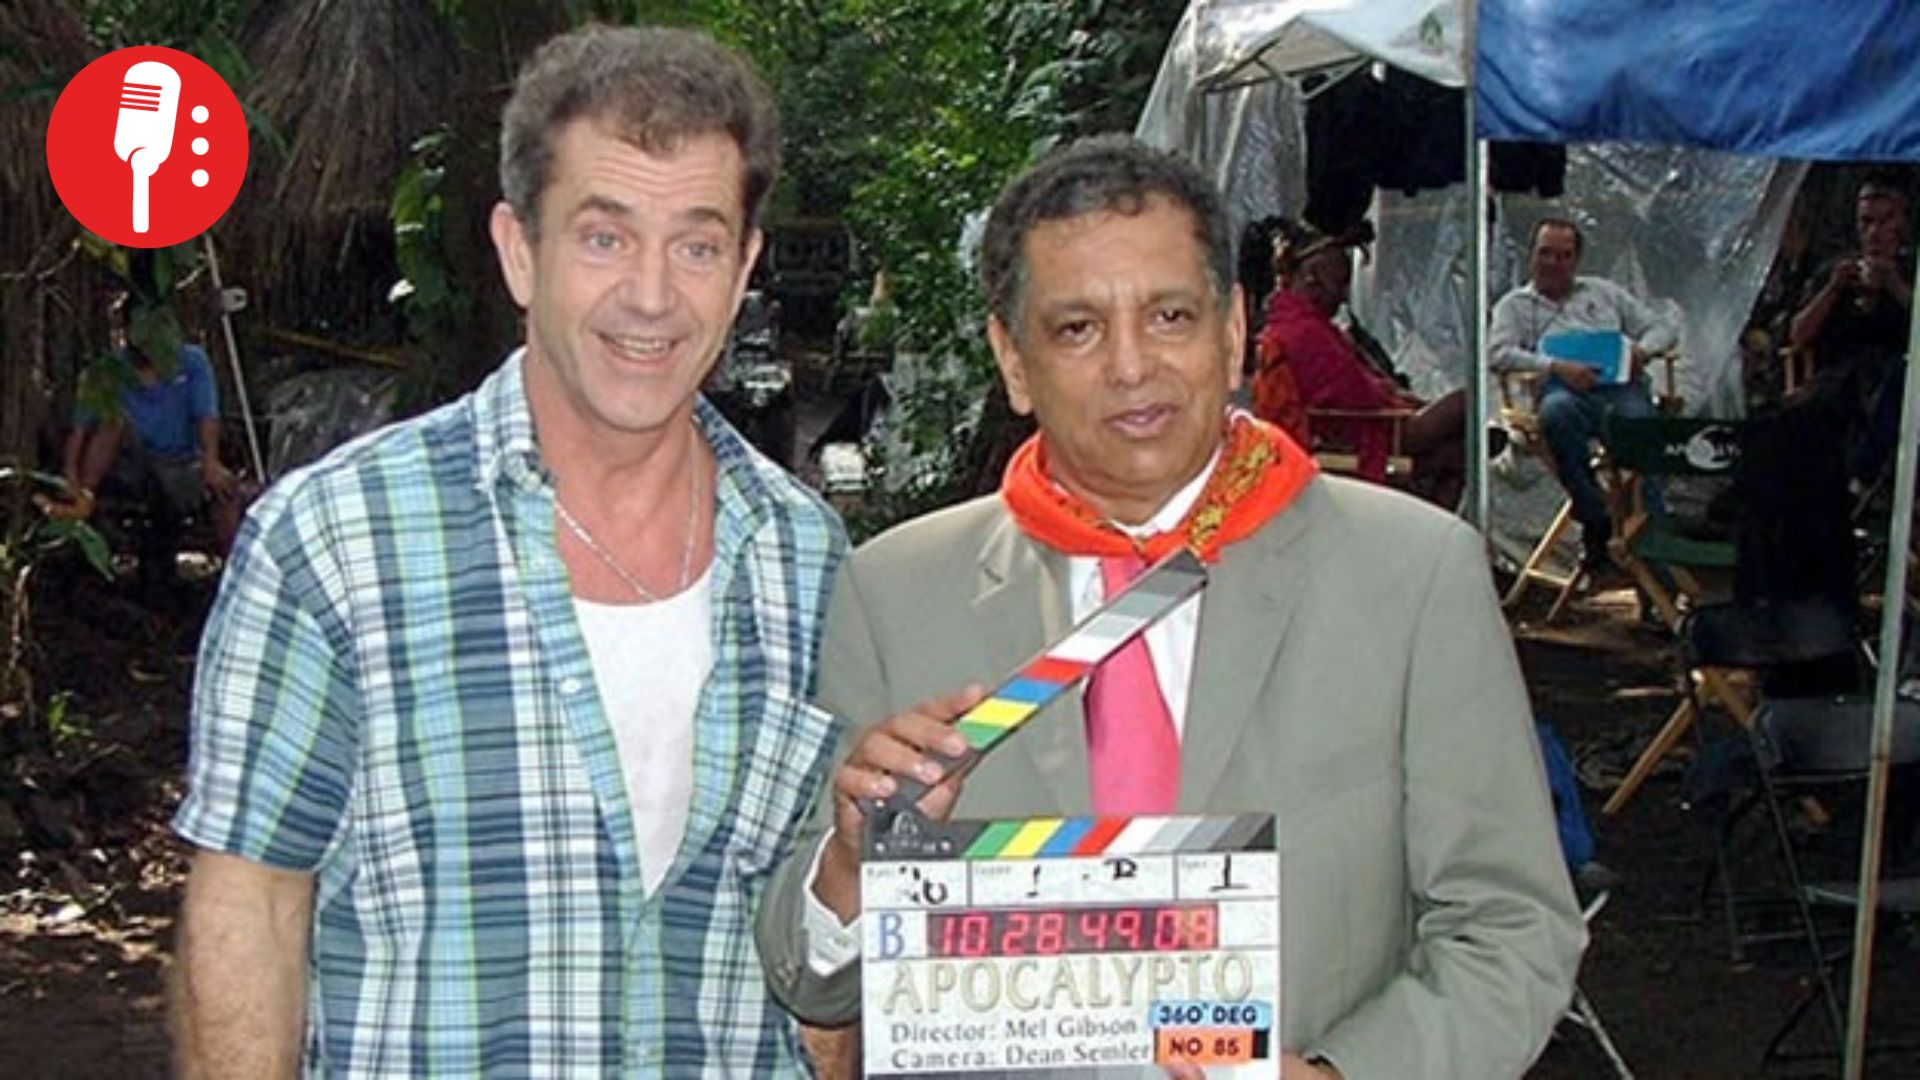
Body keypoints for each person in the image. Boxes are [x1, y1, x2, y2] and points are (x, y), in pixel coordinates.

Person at [757, 136, 1584, 1079]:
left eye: (1170, 316)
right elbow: (808, 976)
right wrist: (851, 866)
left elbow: (1513, 925)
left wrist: (1340, 1075)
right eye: (1077, 328)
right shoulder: (895, 592)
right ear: (1013, 362)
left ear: (1232, 332)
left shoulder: (1413, 573)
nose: (1131, 365)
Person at [170, 25, 846, 1078]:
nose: (653, 296)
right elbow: (250, 906)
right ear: (519, 249)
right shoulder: (336, 543)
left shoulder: (808, 560)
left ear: (745, 265)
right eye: (604, 237)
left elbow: (814, 940)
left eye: (698, 245)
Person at [1488, 218, 1678, 573]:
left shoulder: (1603, 292)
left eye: (1564, 256)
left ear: (1576, 260)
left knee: (1641, 428)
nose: (1553, 263)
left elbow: (1662, 327)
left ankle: (1655, 541)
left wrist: (1642, 351)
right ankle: (1594, 514)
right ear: (1532, 255)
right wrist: (1554, 366)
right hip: (1563, 390)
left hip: (1619, 388)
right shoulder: (1514, 306)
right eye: (1545, 253)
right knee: (1557, 413)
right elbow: (1496, 353)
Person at [1253, 218, 1472, 507]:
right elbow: (1357, 398)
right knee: (1467, 402)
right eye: (1340, 283)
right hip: (1367, 432)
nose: (1344, 296)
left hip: (1360, 424)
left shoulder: (1296, 325)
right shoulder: (1304, 332)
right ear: (1312, 278)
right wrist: (1401, 402)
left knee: (1456, 450)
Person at [51, 315, 242, 557]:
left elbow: (207, 415)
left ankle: (236, 564)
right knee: (113, 422)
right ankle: (86, 497)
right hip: (130, 463)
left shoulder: (191, 361)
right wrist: (70, 476)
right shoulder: (108, 370)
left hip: (181, 461)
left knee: (225, 492)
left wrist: (211, 462)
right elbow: (80, 428)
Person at [1786, 179, 1913, 483]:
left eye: (1884, 221)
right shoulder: (1836, 270)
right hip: (1837, 378)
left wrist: (1895, 285)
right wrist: (1832, 289)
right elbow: (1797, 335)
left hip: (1896, 379)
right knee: (1793, 415)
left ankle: (1863, 477)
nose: (1874, 232)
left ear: (1901, 224)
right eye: (1866, 222)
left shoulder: (1912, 271)